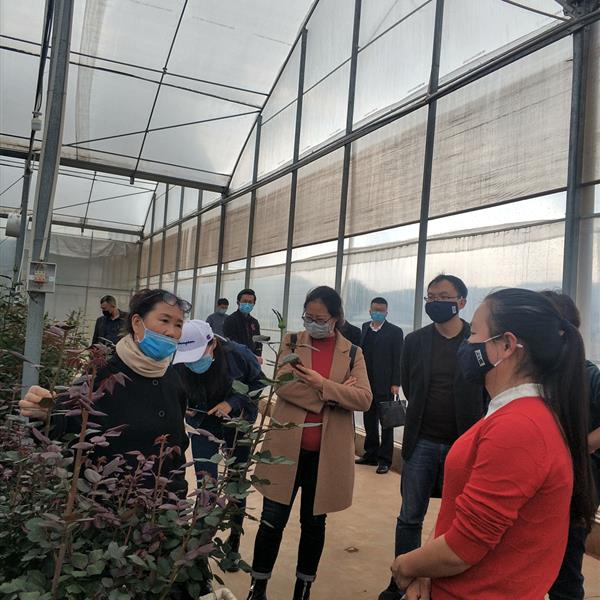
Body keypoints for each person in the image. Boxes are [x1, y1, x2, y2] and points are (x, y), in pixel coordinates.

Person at [390, 288, 596, 600]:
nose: (466, 343)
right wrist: (428, 566)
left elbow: (464, 547)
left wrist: (405, 566)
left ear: (506, 345)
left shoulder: (519, 428)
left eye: (474, 334)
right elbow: (463, 516)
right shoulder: (513, 413)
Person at [246, 286, 372, 600]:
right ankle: (257, 587)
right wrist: (334, 393)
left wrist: (321, 383)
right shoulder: (292, 342)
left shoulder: (352, 352)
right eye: (309, 317)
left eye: (320, 319)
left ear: (336, 318)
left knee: (314, 524)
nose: (313, 323)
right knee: (272, 520)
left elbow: (364, 398)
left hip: (325, 456)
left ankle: (303, 589)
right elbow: (284, 385)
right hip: (286, 451)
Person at [19, 289, 192, 496]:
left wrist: (178, 495)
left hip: (161, 506)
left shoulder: (173, 380)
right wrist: (47, 412)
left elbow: (178, 443)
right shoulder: (103, 375)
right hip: (110, 504)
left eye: (178, 325)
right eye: (164, 320)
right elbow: (68, 425)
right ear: (137, 323)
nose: (172, 332)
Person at [380, 274, 484, 600]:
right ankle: (402, 580)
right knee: (410, 516)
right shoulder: (415, 341)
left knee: (458, 518)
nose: (436, 303)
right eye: (431, 297)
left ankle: (444, 583)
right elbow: (410, 387)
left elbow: (486, 391)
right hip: (421, 440)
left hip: (463, 443)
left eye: (444, 297)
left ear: (462, 301)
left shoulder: (478, 342)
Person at [172, 319, 265, 570]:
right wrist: (185, 407)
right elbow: (175, 388)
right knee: (206, 484)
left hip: (237, 424)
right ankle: (200, 549)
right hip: (203, 424)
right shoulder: (178, 360)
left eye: (197, 356)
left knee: (236, 482)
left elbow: (259, 383)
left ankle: (233, 543)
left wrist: (232, 403)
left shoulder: (238, 355)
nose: (193, 363)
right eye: (188, 359)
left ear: (212, 343)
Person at [540, 291, 600, 600]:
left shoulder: (589, 376)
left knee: (565, 574)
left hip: (576, 488)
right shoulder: (532, 375)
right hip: (536, 485)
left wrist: (577, 447)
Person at [356, 297, 404, 474]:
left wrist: (396, 383)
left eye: (381, 310)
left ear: (386, 312)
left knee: (387, 423)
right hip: (366, 383)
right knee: (369, 420)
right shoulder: (365, 328)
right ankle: (371, 454)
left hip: (385, 384)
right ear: (370, 311)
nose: (378, 313)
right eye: (375, 310)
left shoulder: (395, 332)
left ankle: (385, 460)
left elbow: (398, 358)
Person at [223, 289, 263, 363]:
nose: (247, 304)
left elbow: (258, 342)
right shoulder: (230, 320)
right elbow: (232, 343)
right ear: (238, 302)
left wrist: (257, 356)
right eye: (244, 301)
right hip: (235, 361)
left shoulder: (254, 322)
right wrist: (250, 356)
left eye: (250, 302)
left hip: (252, 361)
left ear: (254, 304)